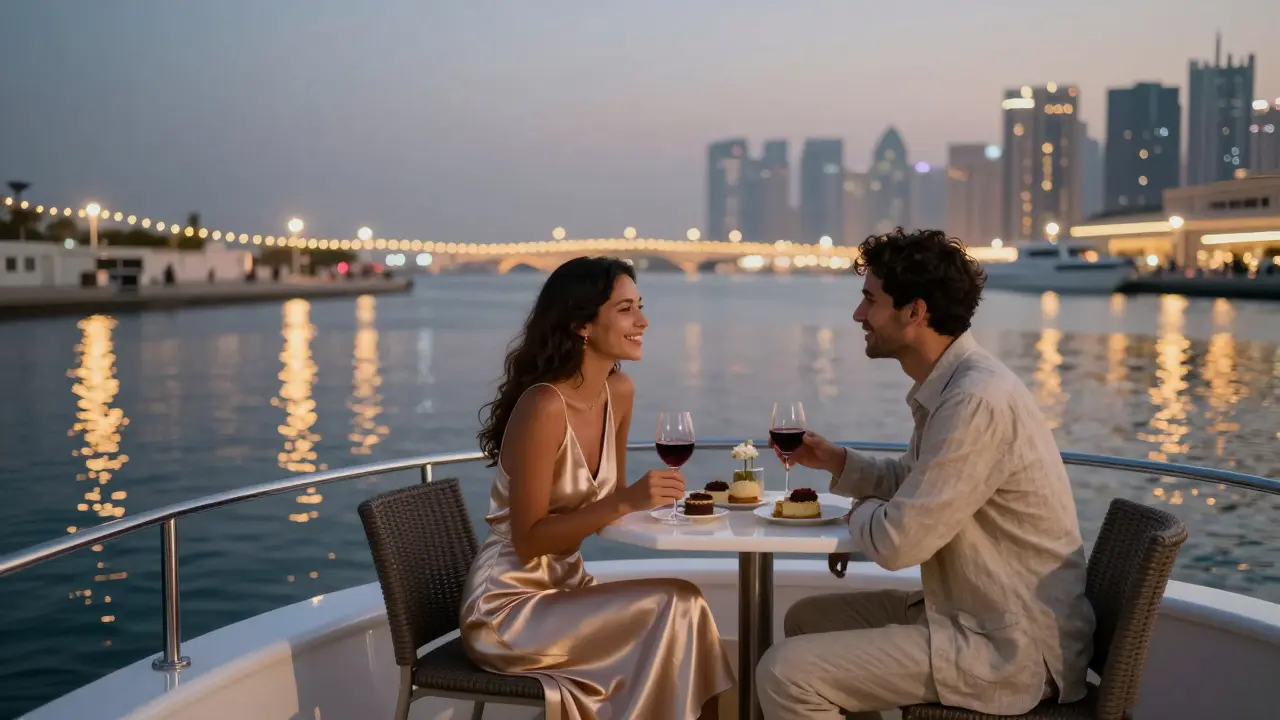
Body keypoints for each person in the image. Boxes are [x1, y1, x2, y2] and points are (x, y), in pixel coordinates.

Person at [756, 229, 1096, 719]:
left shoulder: (974, 401)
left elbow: (899, 543)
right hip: (972, 612)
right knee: (807, 619)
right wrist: (837, 462)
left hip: (1012, 647)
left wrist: (862, 512)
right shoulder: (952, 386)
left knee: (784, 673)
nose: (858, 316)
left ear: (914, 313)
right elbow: (919, 485)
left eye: (869, 300)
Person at [461, 256, 735, 720]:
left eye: (640, 306)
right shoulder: (543, 405)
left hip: (567, 589)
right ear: (582, 324)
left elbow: (615, 503)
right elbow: (529, 539)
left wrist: (672, 505)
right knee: (678, 604)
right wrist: (627, 500)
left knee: (682, 609)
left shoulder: (619, 392)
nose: (643, 321)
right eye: (626, 309)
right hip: (509, 608)